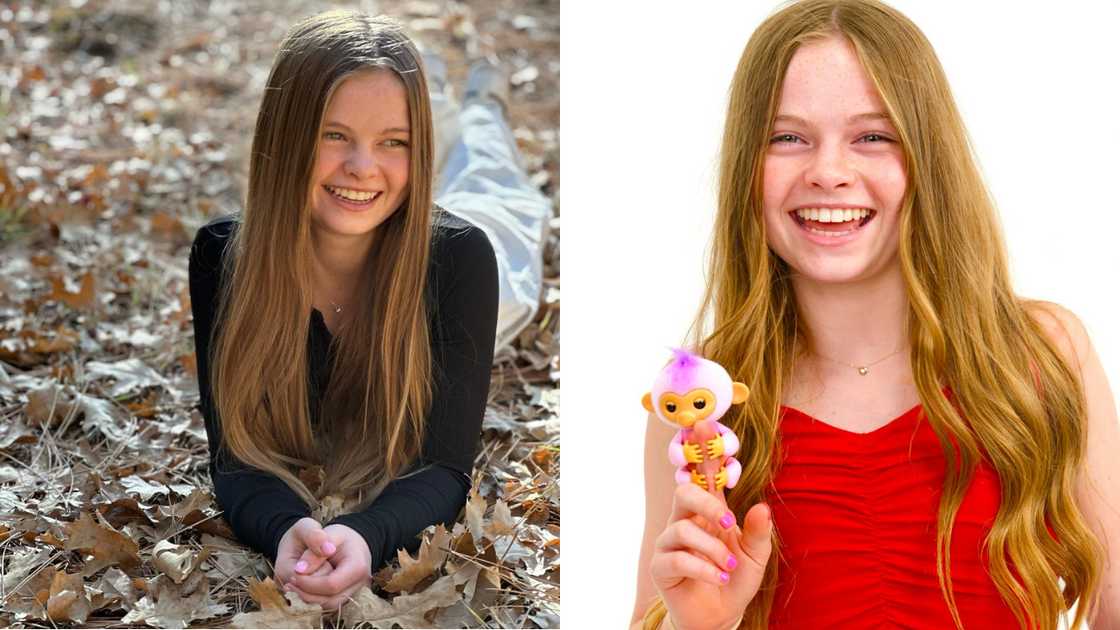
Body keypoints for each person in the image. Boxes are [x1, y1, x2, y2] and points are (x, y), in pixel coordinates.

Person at [630, 1, 1119, 629]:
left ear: (928, 160)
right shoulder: (702, 403)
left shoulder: (1042, 354)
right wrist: (699, 624)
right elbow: (659, 609)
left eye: (873, 136)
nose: (829, 173)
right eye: (787, 137)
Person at [188, 10, 540, 609]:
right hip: (403, 215)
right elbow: (235, 457)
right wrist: (281, 529)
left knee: (491, 174)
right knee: (451, 166)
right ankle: (442, 108)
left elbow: (444, 466)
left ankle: (481, 107)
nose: (360, 165)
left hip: (489, 269)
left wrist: (363, 534)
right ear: (284, 136)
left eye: (393, 141)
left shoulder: (462, 259)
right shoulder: (225, 256)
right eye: (333, 134)